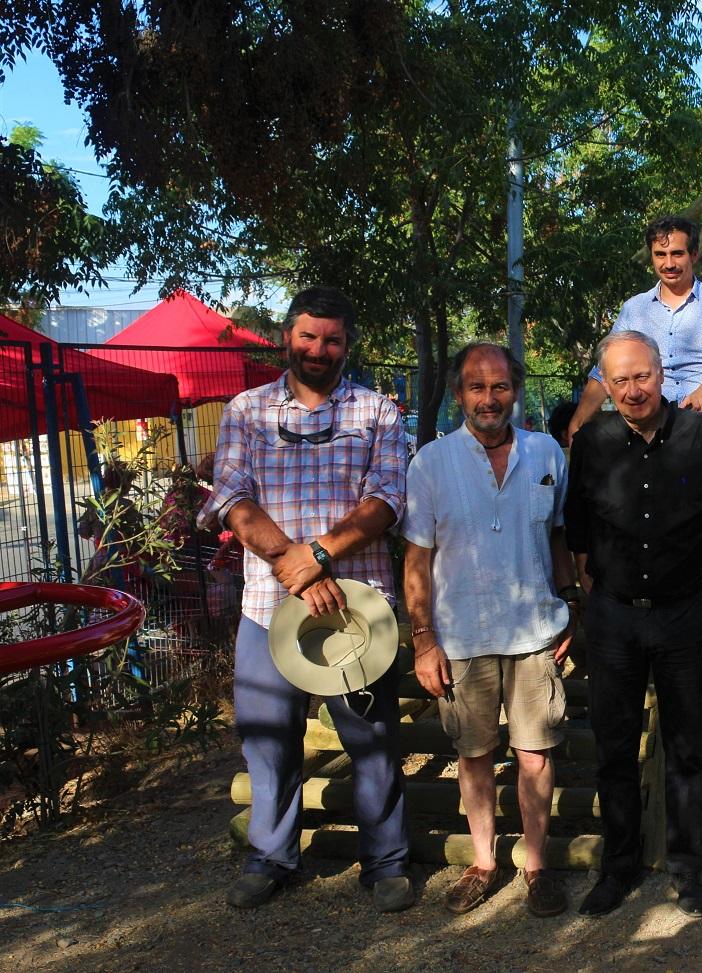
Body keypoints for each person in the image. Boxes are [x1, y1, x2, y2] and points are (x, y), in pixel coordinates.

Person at [197, 286, 414, 913]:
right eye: (309, 336)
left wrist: (315, 556)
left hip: (356, 610)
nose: (320, 349)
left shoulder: (376, 413)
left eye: (333, 339)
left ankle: (387, 860)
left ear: (348, 344)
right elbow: (231, 499)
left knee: (371, 740)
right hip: (268, 609)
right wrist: (295, 568)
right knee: (268, 737)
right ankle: (271, 857)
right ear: (288, 337)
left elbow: (387, 501)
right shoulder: (245, 410)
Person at [564, 331, 702, 919]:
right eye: (619, 381)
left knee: (687, 747)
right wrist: (593, 591)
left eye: (641, 376)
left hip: (685, 614)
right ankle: (618, 867)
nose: (633, 390)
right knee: (615, 748)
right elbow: (577, 526)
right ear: (606, 385)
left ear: (662, 373)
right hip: (614, 617)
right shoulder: (591, 441)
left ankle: (688, 869)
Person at [403, 343, 578, 917]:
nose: (489, 398)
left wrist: (569, 600)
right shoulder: (431, 462)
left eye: (500, 386)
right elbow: (417, 560)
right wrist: (423, 640)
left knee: (535, 755)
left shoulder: (547, 452)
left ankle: (536, 866)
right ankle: (483, 862)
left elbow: (558, 535)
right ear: (458, 395)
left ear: (516, 391)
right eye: (476, 387)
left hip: (533, 634)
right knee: (474, 756)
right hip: (463, 639)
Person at [565, 215, 702, 442]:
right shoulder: (634, 308)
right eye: (660, 254)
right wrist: (578, 422)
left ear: (694, 255)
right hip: (647, 411)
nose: (668, 264)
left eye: (677, 254)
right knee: (594, 440)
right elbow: (605, 368)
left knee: (688, 434)